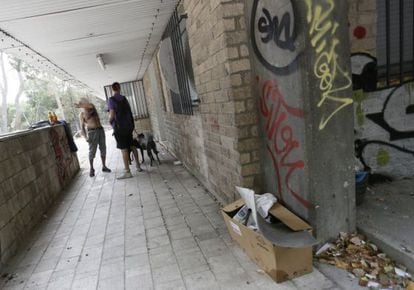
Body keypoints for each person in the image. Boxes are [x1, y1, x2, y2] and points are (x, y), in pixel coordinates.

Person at [108, 82, 142, 179]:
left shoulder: (111, 100)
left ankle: (127, 171)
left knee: (124, 149)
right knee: (132, 145)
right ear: (120, 88)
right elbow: (129, 111)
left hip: (120, 128)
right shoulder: (124, 99)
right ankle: (138, 166)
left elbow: (112, 114)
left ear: (112, 89)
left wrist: (110, 122)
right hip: (128, 127)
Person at [75, 97, 111, 177]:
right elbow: (82, 127)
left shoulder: (91, 108)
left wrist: (81, 105)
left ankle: (104, 166)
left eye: (82, 103)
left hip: (100, 130)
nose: (82, 104)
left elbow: (89, 106)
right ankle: (92, 168)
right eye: (81, 103)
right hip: (92, 132)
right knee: (92, 151)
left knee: (103, 148)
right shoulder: (82, 114)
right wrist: (85, 137)